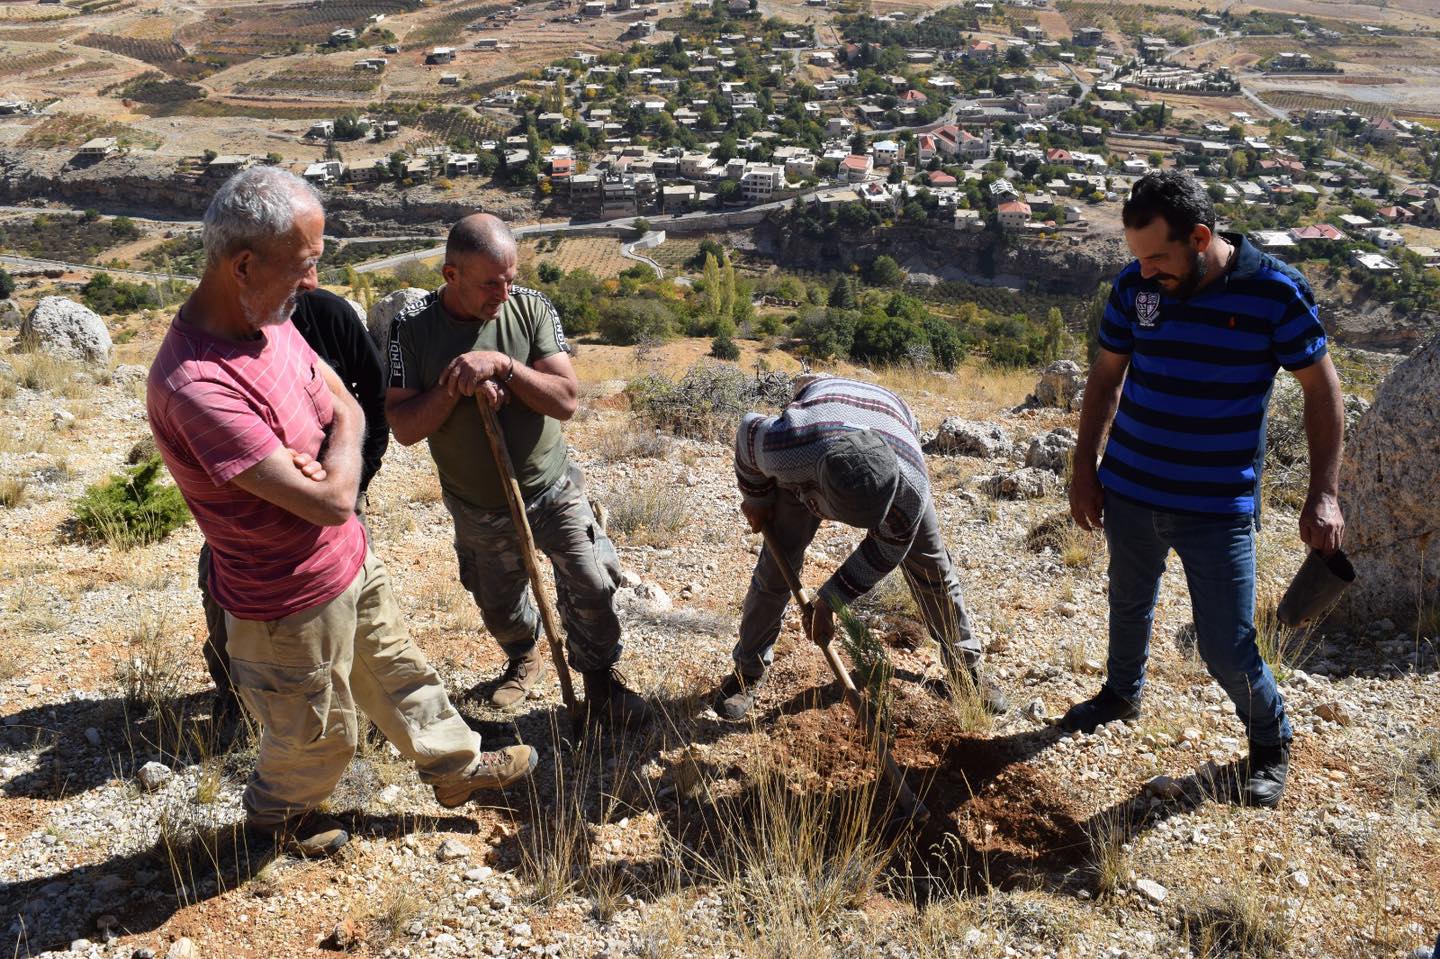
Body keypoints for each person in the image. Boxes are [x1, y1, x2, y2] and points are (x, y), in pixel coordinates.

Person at [147, 168, 536, 858]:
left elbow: (347, 406)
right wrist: (329, 463)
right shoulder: (196, 382)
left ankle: (456, 769)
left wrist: (332, 447)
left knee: (399, 671)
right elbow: (329, 499)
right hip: (284, 601)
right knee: (316, 734)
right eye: (305, 265)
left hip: (347, 561)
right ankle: (276, 816)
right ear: (243, 265)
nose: (313, 282)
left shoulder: (268, 317)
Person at [1064, 170, 1344, 809]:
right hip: (1131, 487)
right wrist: (1086, 465)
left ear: (1200, 237)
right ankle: (1120, 696)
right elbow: (1107, 375)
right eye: (1138, 258)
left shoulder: (1274, 292)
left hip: (1217, 505)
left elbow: (1321, 391)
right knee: (1128, 601)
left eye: (1158, 257)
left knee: (1225, 642)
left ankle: (1270, 745)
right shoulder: (1137, 287)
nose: (1146, 271)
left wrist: (1323, 493)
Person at [384, 213, 648, 727]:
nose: (503, 292)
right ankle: (523, 656)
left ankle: (599, 682)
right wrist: (454, 384)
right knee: (497, 602)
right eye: (489, 282)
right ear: (450, 276)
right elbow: (404, 426)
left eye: (510, 277)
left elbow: (567, 399)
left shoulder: (531, 308)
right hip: (477, 503)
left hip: (551, 487)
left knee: (593, 583)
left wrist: (504, 365)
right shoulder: (410, 328)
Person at [712, 375, 1009, 720]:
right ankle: (747, 671)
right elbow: (748, 431)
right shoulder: (788, 450)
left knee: (933, 569)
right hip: (820, 425)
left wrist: (830, 601)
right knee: (776, 568)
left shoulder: (908, 490)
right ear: (816, 496)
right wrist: (757, 497)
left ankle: (965, 670)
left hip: (892, 421)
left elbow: (885, 549)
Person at [198, 287, 390, 739]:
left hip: (333, 491)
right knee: (223, 587)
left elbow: (374, 399)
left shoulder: (328, 314)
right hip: (249, 500)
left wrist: (357, 479)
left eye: (313, 262)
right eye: (296, 261)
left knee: (351, 595)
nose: (307, 278)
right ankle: (234, 696)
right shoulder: (226, 325)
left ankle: (360, 702)